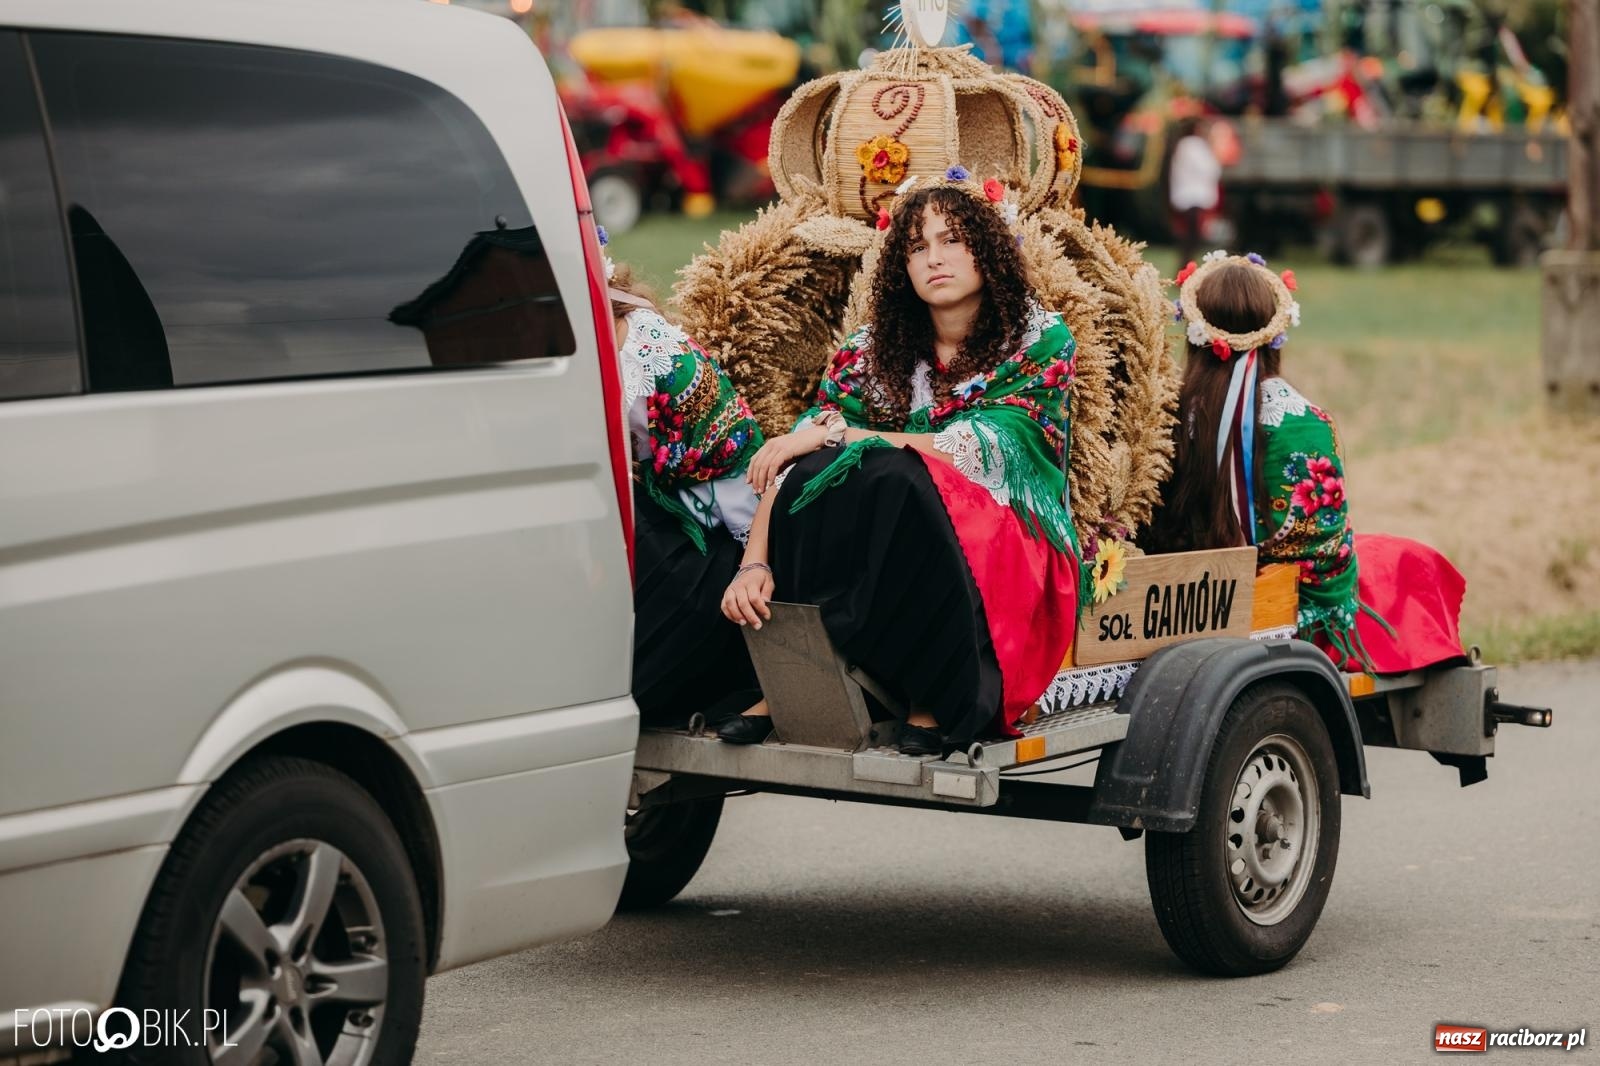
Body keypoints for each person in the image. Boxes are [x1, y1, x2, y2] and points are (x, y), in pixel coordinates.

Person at [716, 169, 1083, 754]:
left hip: (1003, 534)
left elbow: (983, 452)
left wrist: (847, 435)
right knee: (823, 473)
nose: (934, 259)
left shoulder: (1036, 340)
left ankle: (934, 692)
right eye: (916, 248)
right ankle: (797, 681)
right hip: (898, 525)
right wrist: (753, 565)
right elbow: (804, 458)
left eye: (952, 240)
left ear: (988, 250)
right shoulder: (872, 347)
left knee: (891, 472)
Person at [1145, 252, 1465, 674]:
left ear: (1196, 335)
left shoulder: (1159, 419)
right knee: (1409, 562)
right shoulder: (1306, 425)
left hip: (1177, 604)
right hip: (1285, 615)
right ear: (1275, 337)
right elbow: (1327, 565)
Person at [602, 230, 766, 725]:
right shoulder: (599, 335)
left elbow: (714, 467)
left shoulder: (646, 352)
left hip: (713, 518)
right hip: (666, 500)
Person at [1168, 118, 1221, 266]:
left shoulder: (1186, 145)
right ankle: (1186, 264)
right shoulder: (1193, 145)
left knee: (1191, 236)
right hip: (1192, 197)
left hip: (1190, 196)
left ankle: (1186, 263)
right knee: (1192, 236)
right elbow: (1210, 170)